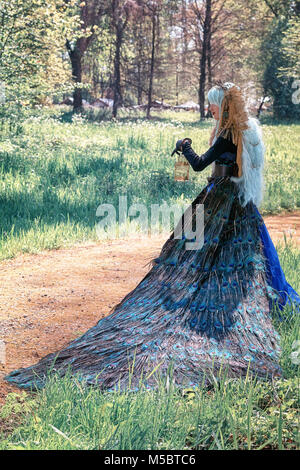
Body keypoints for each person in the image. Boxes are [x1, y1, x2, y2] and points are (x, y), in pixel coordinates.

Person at [5, 82, 300, 392]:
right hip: (235, 200)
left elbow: (199, 165)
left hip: (221, 201)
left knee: (196, 251)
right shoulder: (243, 132)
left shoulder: (227, 134)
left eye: (213, 104)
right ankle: (276, 299)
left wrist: (183, 147)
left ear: (222, 107)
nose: (210, 108)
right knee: (249, 256)